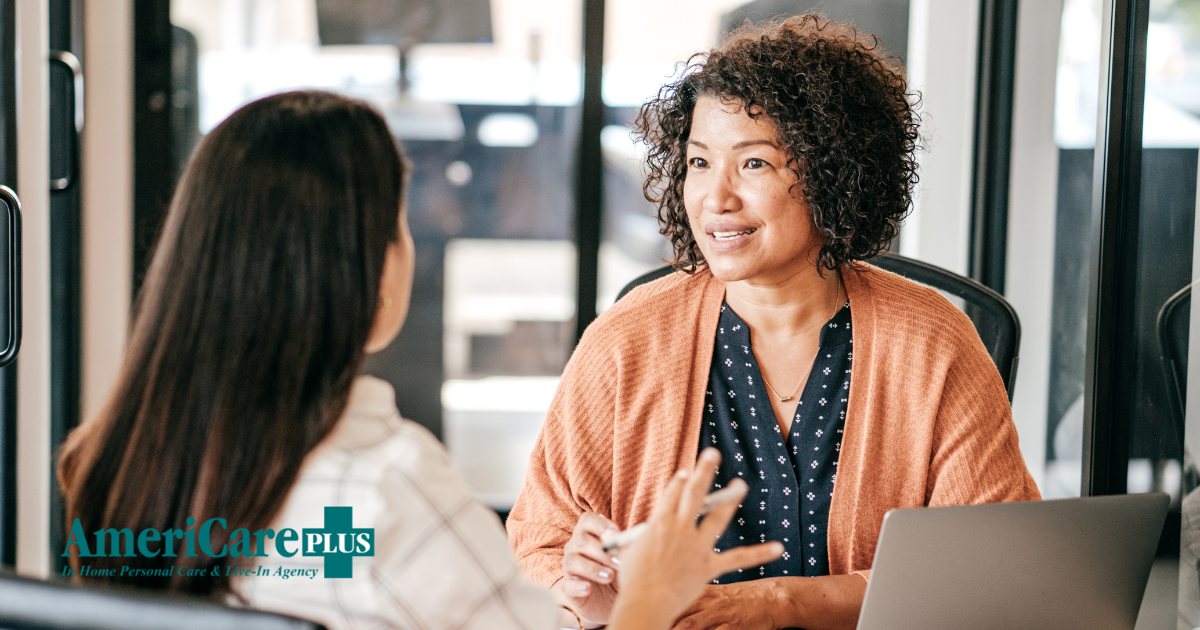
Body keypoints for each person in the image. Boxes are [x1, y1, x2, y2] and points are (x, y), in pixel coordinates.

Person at [56, 90, 780, 630]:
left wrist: (589, 607)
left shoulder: (117, 458)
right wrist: (652, 597)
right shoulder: (386, 486)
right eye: (400, 226)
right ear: (365, 271)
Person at [507, 15, 1041, 630]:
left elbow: (987, 569)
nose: (716, 198)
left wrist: (781, 602)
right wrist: (583, 593)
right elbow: (538, 546)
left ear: (833, 171)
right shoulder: (627, 340)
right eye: (700, 163)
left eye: (753, 164)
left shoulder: (932, 342)